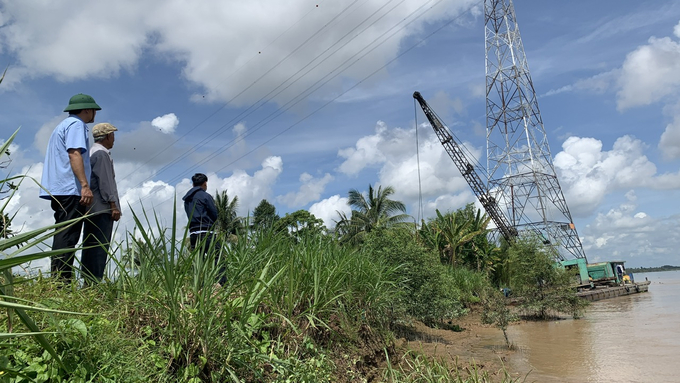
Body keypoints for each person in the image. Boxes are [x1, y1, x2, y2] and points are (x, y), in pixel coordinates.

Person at [40, 93, 101, 282]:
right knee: (68, 235)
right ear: (87, 110)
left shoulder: (62, 126)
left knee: (63, 233)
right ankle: (61, 282)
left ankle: (58, 279)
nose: (94, 115)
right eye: (93, 111)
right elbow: (74, 154)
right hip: (70, 188)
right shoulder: (76, 125)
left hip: (59, 188)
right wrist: (85, 185)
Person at [81, 123, 121, 283]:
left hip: (92, 208)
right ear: (108, 136)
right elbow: (105, 182)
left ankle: (87, 282)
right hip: (102, 207)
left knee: (90, 246)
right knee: (99, 247)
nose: (114, 139)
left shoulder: (91, 152)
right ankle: (93, 283)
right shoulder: (102, 154)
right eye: (113, 135)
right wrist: (113, 205)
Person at [182, 173, 226, 286]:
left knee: (198, 261)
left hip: (193, 234)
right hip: (207, 232)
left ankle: (199, 285)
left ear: (193, 184)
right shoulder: (205, 196)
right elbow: (214, 214)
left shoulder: (187, 199)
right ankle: (221, 283)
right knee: (218, 256)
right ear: (205, 183)